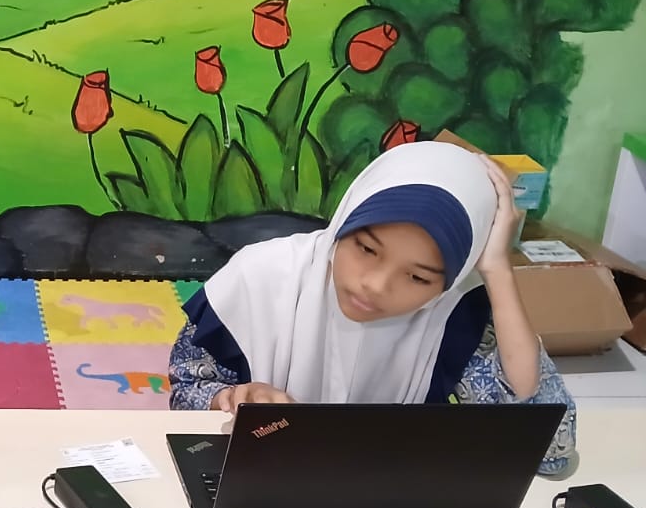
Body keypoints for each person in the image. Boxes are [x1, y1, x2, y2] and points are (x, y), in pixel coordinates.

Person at [168, 141, 576, 475]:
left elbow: (548, 450)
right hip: (258, 484)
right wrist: (228, 397)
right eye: (366, 249)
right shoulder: (259, 277)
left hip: (389, 506)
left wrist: (498, 269)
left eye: (417, 277)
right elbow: (186, 390)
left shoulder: (454, 314)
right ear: (345, 219)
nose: (376, 286)